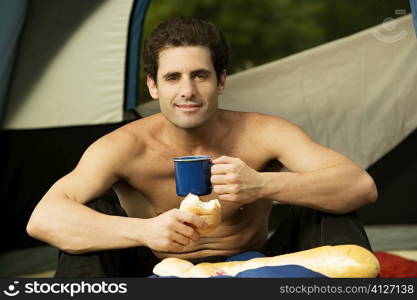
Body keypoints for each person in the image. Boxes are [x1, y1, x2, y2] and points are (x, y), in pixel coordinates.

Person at [26, 16, 377, 277]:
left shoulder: (265, 132)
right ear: (153, 86)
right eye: (173, 78)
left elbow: (360, 186)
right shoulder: (123, 146)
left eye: (200, 75)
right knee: (86, 211)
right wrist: (145, 230)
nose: (187, 91)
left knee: (332, 203)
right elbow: (44, 218)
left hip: (255, 265)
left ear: (221, 81)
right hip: (154, 268)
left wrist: (262, 184)